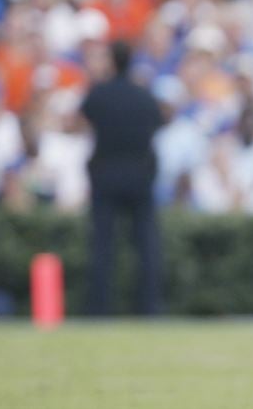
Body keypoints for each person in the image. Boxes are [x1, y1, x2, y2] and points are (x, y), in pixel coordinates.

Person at [80, 40, 163, 315]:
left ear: (112, 62)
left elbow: (82, 120)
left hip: (106, 173)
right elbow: (158, 123)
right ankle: (149, 308)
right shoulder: (143, 96)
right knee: (147, 245)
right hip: (140, 173)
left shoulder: (99, 94)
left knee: (102, 245)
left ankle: (99, 309)